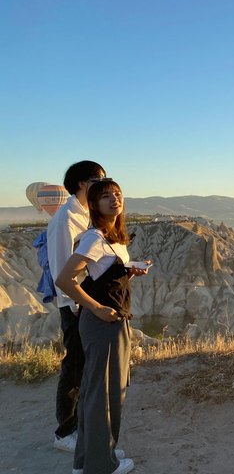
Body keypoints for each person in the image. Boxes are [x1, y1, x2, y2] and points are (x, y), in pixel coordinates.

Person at [56, 180, 150, 474]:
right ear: (94, 205)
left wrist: (129, 272)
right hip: (101, 323)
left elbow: (104, 280)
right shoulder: (95, 237)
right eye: (105, 196)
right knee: (102, 393)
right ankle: (101, 465)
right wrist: (95, 307)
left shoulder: (113, 237)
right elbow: (64, 279)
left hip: (113, 319)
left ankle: (93, 456)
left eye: (118, 194)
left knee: (102, 390)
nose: (114, 199)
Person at [47, 161, 107, 453]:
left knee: (85, 366)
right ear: (83, 183)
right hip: (75, 303)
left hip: (87, 300)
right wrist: (73, 303)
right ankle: (64, 432)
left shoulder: (84, 214)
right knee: (74, 366)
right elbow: (61, 268)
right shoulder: (65, 219)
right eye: (99, 178)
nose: (105, 183)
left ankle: (81, 426)